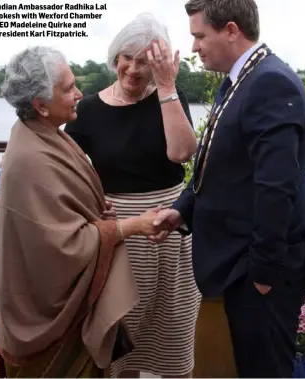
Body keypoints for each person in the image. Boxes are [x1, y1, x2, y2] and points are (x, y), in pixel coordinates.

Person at [152, 0, 305, 377]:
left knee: (263, 371)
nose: (194, 47)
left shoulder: (269, 83)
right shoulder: (242, 80)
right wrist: (183, 209)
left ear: (231, 30)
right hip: (244, 263)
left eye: (199, 36)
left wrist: (262, 275)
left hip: (262, 271)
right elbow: (219, 165)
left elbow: (275, 187)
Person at [0, 46, 162, 378]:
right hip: (46, 319)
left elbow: (60, 209)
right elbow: (63, 245)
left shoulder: (42, 135)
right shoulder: (29, 158)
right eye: (68, 88)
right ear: (40, 106)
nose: (79, 94)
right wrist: (133, 226)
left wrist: (94, 209)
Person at [64, 13, 201, 378]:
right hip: (119, 229)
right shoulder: (89, 110)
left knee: (175, 332)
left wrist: (167, 87)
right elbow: (65, 171)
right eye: (128, 58)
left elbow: (182, 153)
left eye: (146, 61)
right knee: (122, 333)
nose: (134, 69)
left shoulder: (170, 98)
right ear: (115, 57)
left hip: (171, 226)